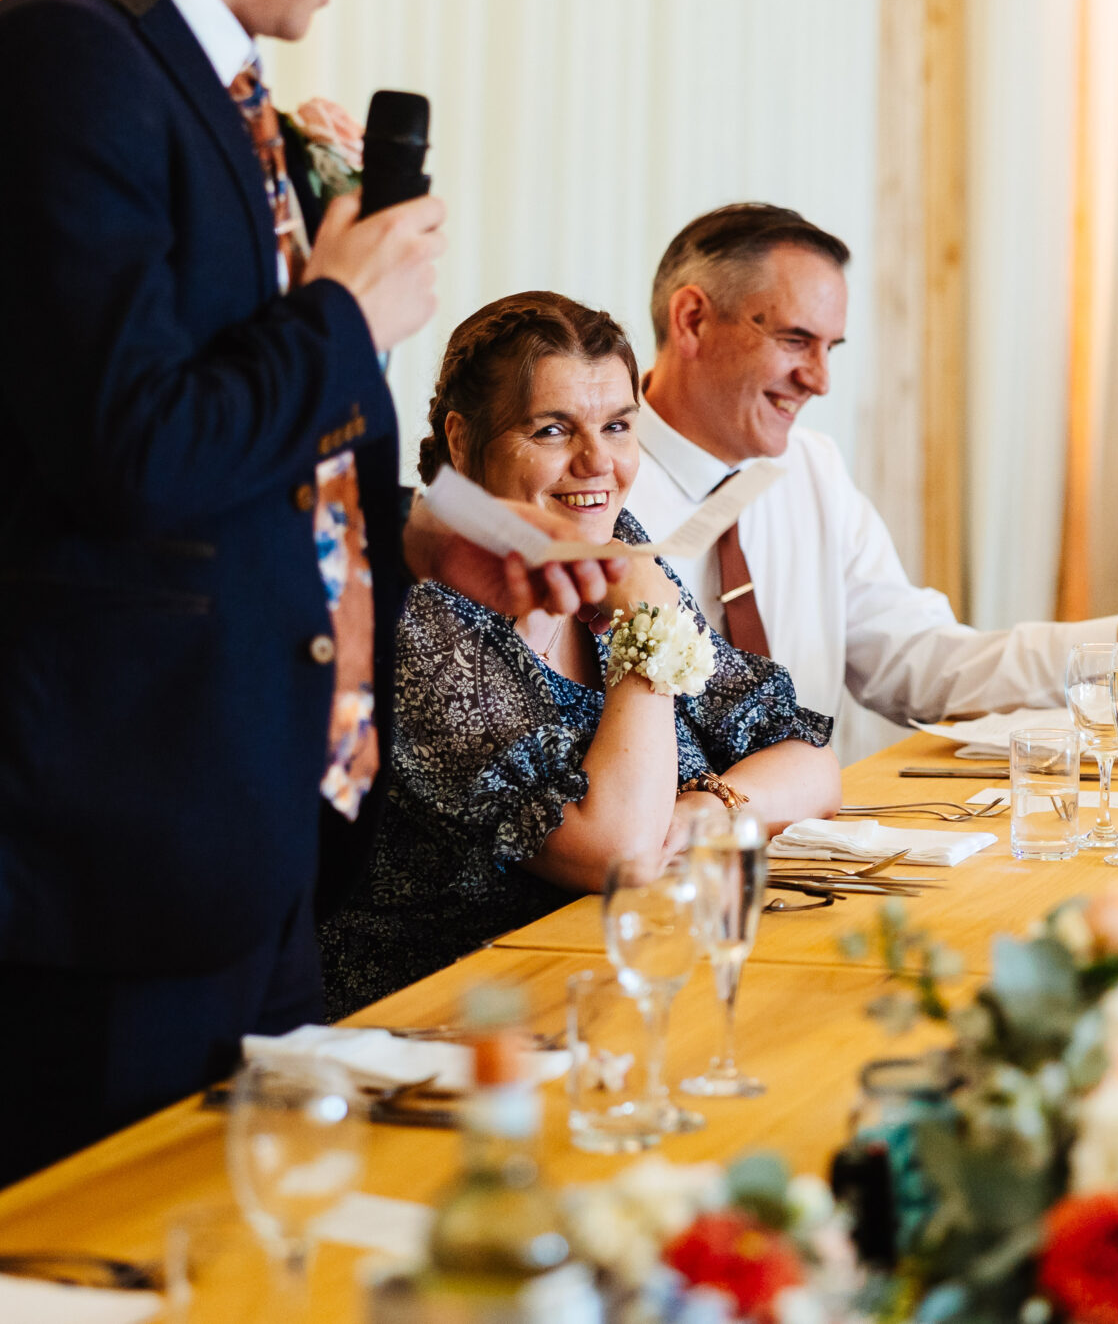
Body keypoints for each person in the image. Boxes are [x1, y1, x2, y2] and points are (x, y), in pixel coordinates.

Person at [0, 0, 618, 1185]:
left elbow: (226, 462)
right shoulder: (59, 67)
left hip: (235, 847)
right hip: (100, 853)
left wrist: (422, 534)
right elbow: (132, 450)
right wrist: (346, 314)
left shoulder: (199, 91)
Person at [321, 294, 840, 1015]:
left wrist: (708, 811)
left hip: (622, 981)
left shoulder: (612, 543)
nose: (598, 461)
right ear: (463, 438)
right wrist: (647, 629)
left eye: (618, 425)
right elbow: (619, 853)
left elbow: (811, 762)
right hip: (450, 1024)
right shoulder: (418, 611)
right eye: (553, 428)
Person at [626, 204, 1118, 763]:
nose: (819, 380)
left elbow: (922, 663)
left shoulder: (812, 469)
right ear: (692, 321)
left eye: (830, 349)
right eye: (795, 341)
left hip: (802, 856)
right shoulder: (592, 488)